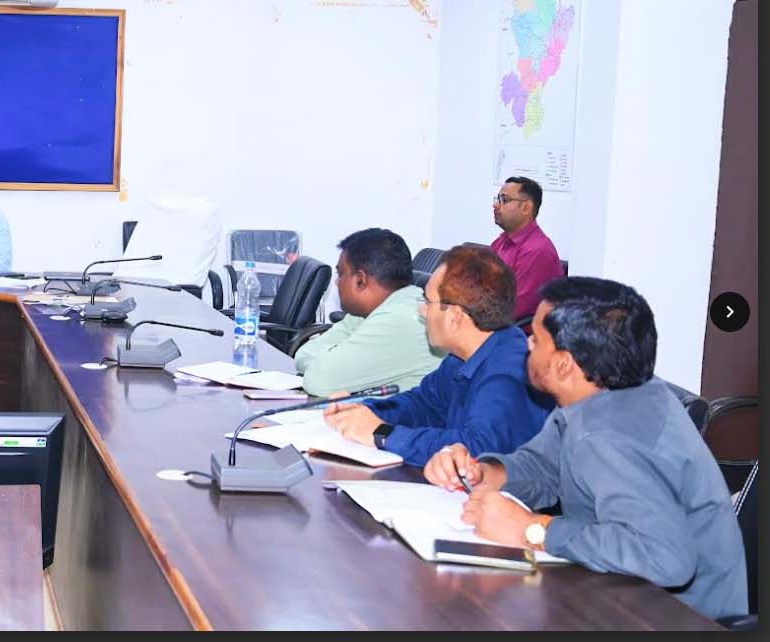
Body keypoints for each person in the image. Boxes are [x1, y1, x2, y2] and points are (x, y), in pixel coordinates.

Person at [425, 277, 746, 620]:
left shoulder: (609, 435)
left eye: (536, 339)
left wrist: (534, 530)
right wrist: (484, 473)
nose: (527, 343)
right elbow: (543, 467)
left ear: (564, 364)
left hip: (676, 617)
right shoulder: (602, 394)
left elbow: (666, 559)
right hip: (617, 592)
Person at [323, 245, 553, 467]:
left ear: (455, 316)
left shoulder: (508, 373)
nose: (422, 311)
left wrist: (382, 433)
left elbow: (476, 451)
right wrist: (364, 411)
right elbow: (423, 405)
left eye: (428, 302)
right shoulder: (462, 356)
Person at [293, 228, 444, 396]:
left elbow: (318, 381)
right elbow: (303, 355)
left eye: (340, 274)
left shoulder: (401, 319)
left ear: (360, 279)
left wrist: (332, 358)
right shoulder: (372, 310)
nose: (337, 283)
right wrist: (333, 357)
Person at [491, 175, 563, 320]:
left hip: (519, 330)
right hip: (493, 320)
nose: (496, 205)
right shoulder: (500, 243)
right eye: (497, 199)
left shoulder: (538, 250)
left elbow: (516, 308)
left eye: (504, 200)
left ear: (526, 207)